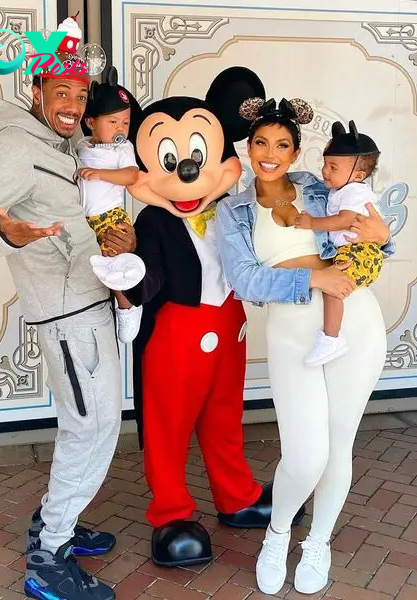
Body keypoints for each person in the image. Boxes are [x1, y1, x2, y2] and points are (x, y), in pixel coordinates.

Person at [0, 16, 137, 600]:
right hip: (67, 318)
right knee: (93, 426)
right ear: (36, 90)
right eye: (62, 92)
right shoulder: (14, 145)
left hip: (92, 303)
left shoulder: (66, 144)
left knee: (91, 423)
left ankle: (53, 519)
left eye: (81, 95)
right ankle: (49, 554)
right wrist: (12, 235)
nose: (73, 104)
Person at [119, 67, 304, 568]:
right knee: (168, 425)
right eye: (170, 160)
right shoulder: (152, 219)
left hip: (230, 327)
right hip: (175, 336)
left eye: (199, 158)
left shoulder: (234, 208)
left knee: (225, 418)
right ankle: (171, 513)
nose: (186, 173)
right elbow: (150, 275)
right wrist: (128, 279)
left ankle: (236, 493)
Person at [216, 96, 394, 596]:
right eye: (261, 143)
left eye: (282, 145)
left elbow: (374, 240)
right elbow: (246, 281)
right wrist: (316, 278)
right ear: (248, 148)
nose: (270, 153)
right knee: (305, 455)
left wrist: (381, 234)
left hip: (357, 325)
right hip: (293, 330)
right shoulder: (234, 210)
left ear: (296, 153)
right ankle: (277, 534)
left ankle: (318, 540)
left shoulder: (322, 188)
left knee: (339, 446)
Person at [293, 120, 384, 366]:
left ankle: (331, 338)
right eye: (325, 164)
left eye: (333, 167)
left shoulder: (355, 191)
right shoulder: (340, 191)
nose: (325, 171)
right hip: (353, 251)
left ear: (358, 175)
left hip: (359, 252)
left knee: (333, 288)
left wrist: (312, 222)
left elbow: (344, 220)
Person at [77, 65, 145, 343]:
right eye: (113, 122)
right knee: (93, 268)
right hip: (84, 220)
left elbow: (132, 175)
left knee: (113, 262)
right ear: (91, 121)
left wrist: (101, 174)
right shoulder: (82, 146)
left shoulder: (121, 149)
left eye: (125, 123)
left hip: (110, 217)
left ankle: (127, 305)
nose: (120, 129)